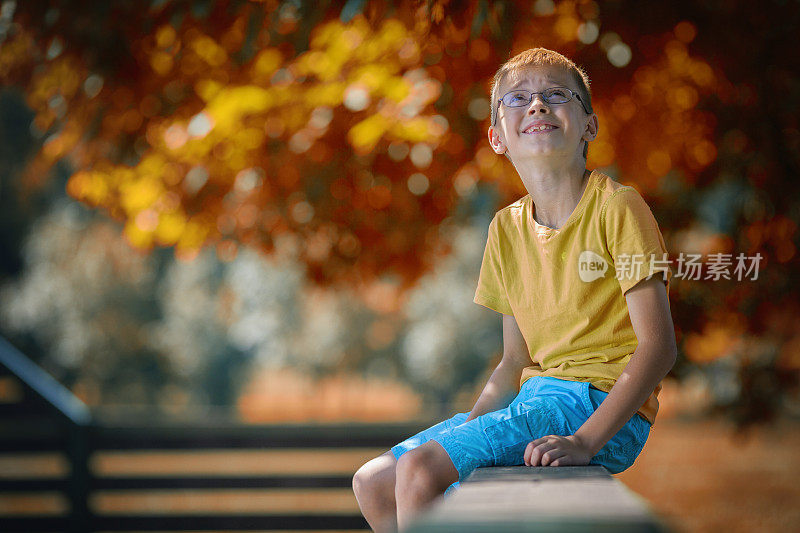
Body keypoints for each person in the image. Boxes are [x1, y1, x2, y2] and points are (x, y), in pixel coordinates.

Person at [352, 47, 677, 532]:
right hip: (536, 400)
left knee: (420, 471)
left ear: (589, 124)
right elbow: (512, 361)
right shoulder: (505, 229)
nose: (538, 105)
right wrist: (470, 428)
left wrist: (586, 442)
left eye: (556, 95)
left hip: (597, 404)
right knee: (374, 480)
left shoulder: (618, 208)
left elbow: (659, 347)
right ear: (497, 137)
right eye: (518, 98)